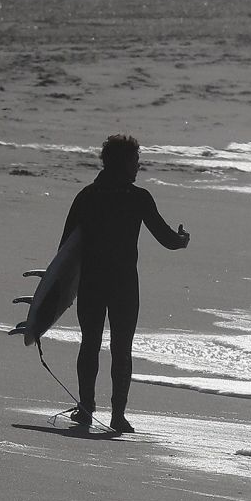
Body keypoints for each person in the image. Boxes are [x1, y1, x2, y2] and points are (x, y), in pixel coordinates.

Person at [60, 135, 189, 432]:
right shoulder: (138, 198)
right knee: (122, 348)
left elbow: (65, 247)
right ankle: (118, 415)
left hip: (91, 283)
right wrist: (183, 240)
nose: (138, 166)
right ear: (122, 162)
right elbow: (167, 238)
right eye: (134, 160)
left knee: (89, 344)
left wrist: (56, 289)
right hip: (123, 286)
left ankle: (86, 407)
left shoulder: (87, 196)